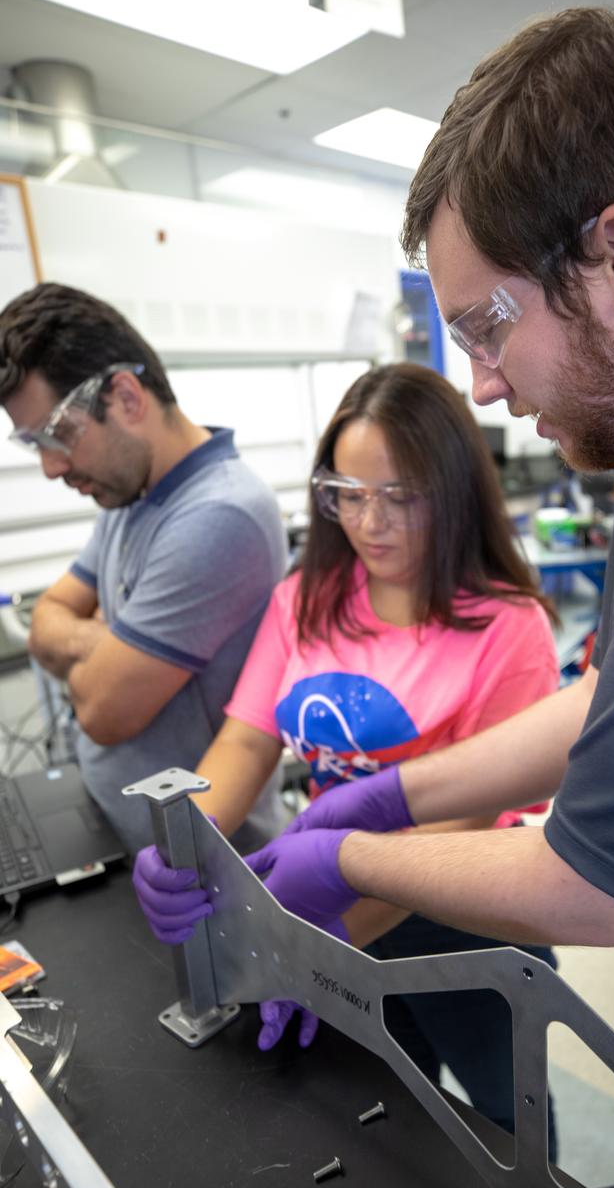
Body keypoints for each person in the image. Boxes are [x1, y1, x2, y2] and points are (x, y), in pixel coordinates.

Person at [133, 7, 614, 1188]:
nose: (479, 381)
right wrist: (385, 796)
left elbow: (595, 884)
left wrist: (350, 860)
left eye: (485, 322)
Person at [136, 361, 560, 1142]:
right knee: (390, 1125)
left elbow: (465, 824)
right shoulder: (304, 600)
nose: (370, 522)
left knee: (505, 1131)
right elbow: (245, 738)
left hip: (463, 919)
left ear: (455, 490)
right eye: (349, 495)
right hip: (327, 897)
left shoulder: (508, 627)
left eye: (401, 497)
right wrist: (188, 840)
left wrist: (333, 934)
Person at [0, 283, 287, 853]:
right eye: (35, 444)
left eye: (58, 434)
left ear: (127, 398)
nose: (53, 467)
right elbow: (45, 623)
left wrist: (90, 653)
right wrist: (104, 642)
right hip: (122, 826)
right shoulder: (127, 494)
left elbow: (105, 714)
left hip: (196, 863)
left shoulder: (220, 514)